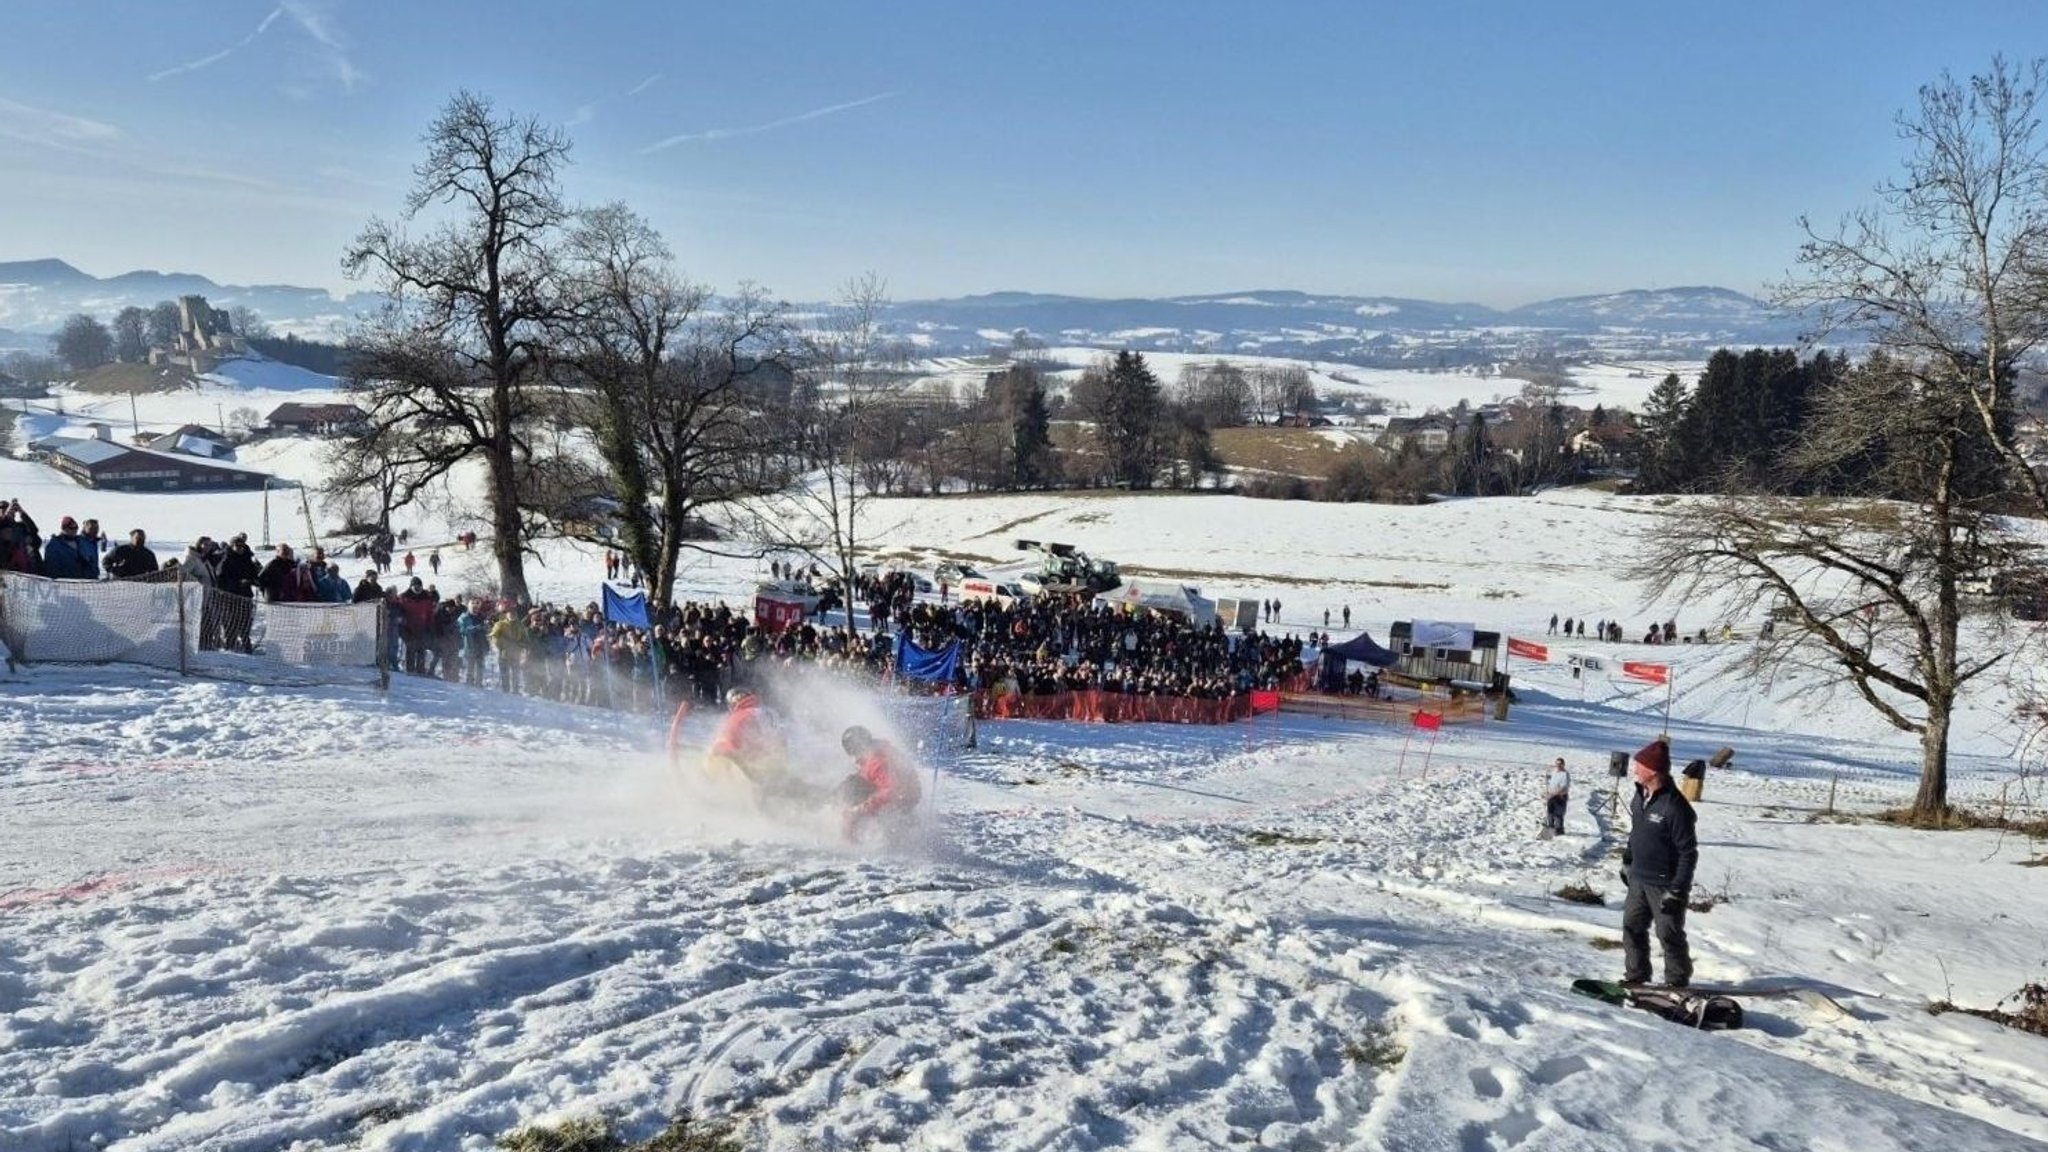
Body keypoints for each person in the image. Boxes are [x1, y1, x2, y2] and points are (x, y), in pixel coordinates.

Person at [1620, 737, 1698, 988]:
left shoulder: (1675, 807)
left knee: (1669, 934)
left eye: (1639, 765)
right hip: (1638, 879)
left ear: (1652, 771)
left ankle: (1676, 982)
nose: (1634, 769)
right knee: (1632, 928)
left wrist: (1677, 891)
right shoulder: (1639, 795)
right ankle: (1636, 975)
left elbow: (1688, 853)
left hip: (1665, 884)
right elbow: (1637, 830)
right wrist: (1628, 859)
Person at [701, 687, 793, 804]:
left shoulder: (738, 717)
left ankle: (712, 789)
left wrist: (715, 752)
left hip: (754, 770)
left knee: (715, 757)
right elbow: (780, 739)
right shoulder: (768, 712)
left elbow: (725, 742)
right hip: (778, 763)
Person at [836, 725, 922, 844]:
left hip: (901, 800)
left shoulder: (876, 761)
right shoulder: (883, 749)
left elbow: (891, 790)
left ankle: (849, 841)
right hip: (910, 796)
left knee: (852, 788)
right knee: (853, 782)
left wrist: (862, 808)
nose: (854, 757)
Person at [1542, 756, 1570, 837]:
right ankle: (1550, 827)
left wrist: (1553, 794)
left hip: (1559, 797)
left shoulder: (1565, 774)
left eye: (1560, 764)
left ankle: (1559, 831)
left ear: (1563, 765)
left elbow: (1563, 787)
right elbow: (1551, 783)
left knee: (1558, 814)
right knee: (1550, 813)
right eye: (1557, 764)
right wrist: (1548, 793)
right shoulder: (1555, 772)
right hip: (1551, 795)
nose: (1558, 765)